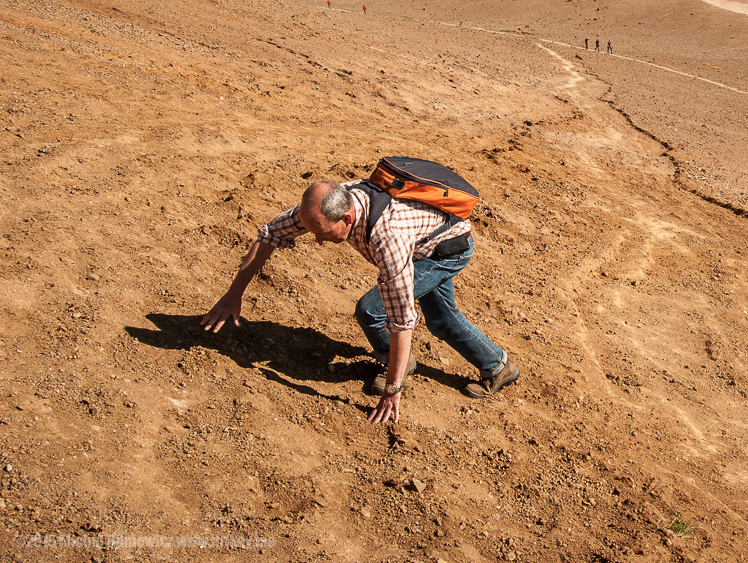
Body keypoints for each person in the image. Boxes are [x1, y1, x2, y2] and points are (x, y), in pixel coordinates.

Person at [201, 180, 519, 424]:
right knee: (442, 319)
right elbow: (271, 234)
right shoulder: (326, 205)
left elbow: (401, 317)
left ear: (348, 217)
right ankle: (498, 365)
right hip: (427, 237)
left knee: (371, 310)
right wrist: (234, 294)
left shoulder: (388, 239)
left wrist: (394, 388)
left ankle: (400, 363)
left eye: (324, 233)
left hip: (444, 249)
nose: (317, 239)